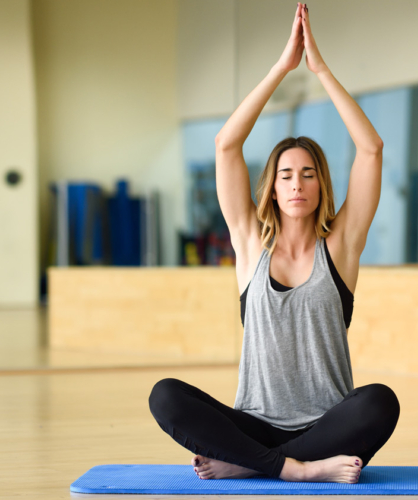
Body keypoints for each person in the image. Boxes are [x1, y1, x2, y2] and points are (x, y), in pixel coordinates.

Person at [148, 3, 398, 483]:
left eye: (308, 174)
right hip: (253, 425)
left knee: (380, 402)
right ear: (274, 187)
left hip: (328, 425)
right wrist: (281, 69)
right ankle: (295, 470)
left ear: (322, 184)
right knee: (165, 395)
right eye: (286, 175)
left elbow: (371, 149)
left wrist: (319, 69)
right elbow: (226, 144)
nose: (297, 184)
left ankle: (253, 466)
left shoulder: (342, 246)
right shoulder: (248, 245)